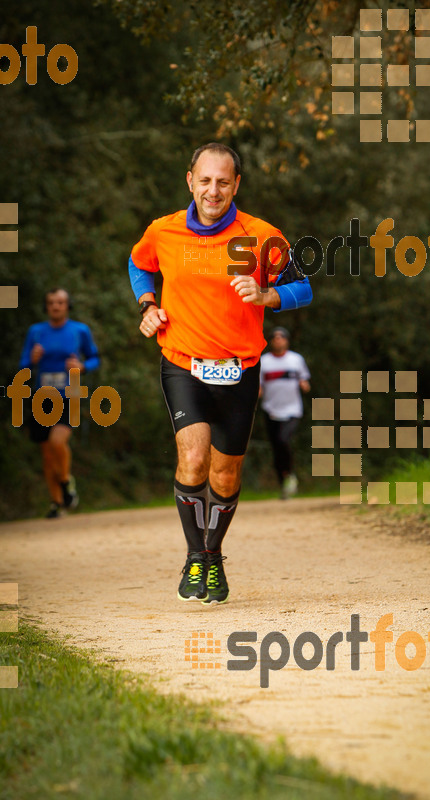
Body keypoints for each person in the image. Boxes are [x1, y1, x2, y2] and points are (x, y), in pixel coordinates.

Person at [128, 142, 312, 605]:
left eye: (223, 182)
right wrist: (148, 304)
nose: (213, 191)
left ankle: (212, 555)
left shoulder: (263, 237)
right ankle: (197, 557)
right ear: (190, 180)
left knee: (226, 476)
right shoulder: (163, 231)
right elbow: (138, 264)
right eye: (205, 180)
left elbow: (303, 288)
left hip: (240, 369)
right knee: (193, 460)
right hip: (182, 363)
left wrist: (269, 296)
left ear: (236, 185)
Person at [19, 288, 100, 518]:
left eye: (61, 302)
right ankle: (56, 503)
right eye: (52, 302)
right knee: (47, 454)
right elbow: (23, 365)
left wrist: (83, 366)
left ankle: (65, 483)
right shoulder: (35, 332)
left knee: (57, 442)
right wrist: (31, 360)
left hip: (69, 394)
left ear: (67, 305)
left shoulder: (79, 331)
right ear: (46, 306)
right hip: (41, 397)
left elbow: (94, 358)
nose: (56, 306)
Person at [260, 327, 310, 499]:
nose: (278, 340)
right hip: (270, 409)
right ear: (271, 341)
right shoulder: (264, 362)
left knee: (283, 440)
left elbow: (304, 379)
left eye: (282, 338)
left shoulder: (296, 359)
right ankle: (284, 483)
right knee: (276, 447)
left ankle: (290, 475)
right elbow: (259, 386)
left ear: (287, 341)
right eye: (275, 338)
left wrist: (304, 385)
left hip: (292, 409)